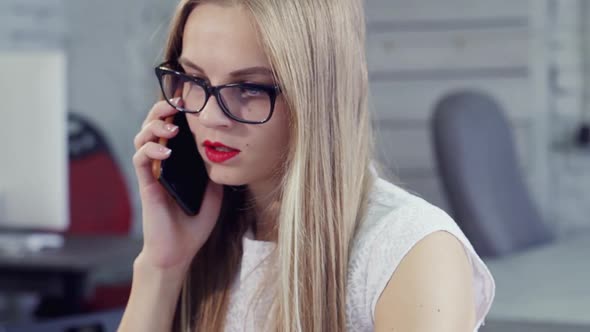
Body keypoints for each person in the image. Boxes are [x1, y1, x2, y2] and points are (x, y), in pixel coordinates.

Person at [119, 0, 495, 331]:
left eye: (250, 87)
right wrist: (161, 266)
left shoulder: (410, 251)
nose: (212, 116)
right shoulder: (209, 239)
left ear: (317, 96)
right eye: (196, 79)